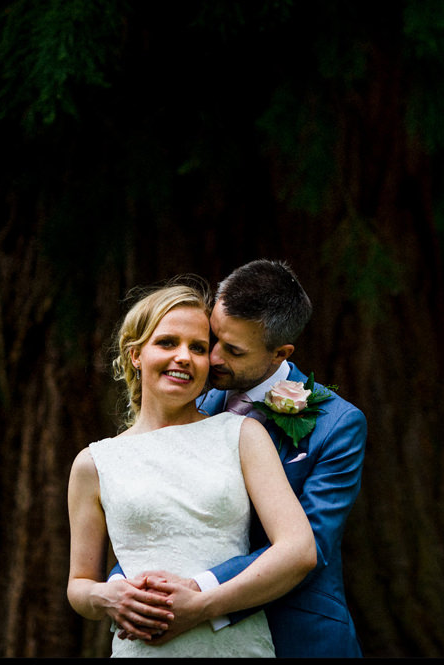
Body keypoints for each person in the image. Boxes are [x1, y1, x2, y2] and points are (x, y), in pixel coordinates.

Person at [104, 260, 367, 658]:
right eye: (213, 338)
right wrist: (134, 590)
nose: (212, 358)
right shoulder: (192, 401)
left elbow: (311, 544)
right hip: (188, 635)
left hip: (296, 632)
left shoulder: (338, 425)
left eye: (234, 350)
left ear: (280, 353)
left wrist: (199, 593)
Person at [67, 281, 316, 657]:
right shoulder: (94, 463)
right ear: (136, 354)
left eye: (198, 348)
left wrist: (203, 606)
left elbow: (298, 550)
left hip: (235, 646)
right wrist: (106, 595)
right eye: (167, 343)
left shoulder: (242, 435)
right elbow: (79, 585)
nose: (184, 357)